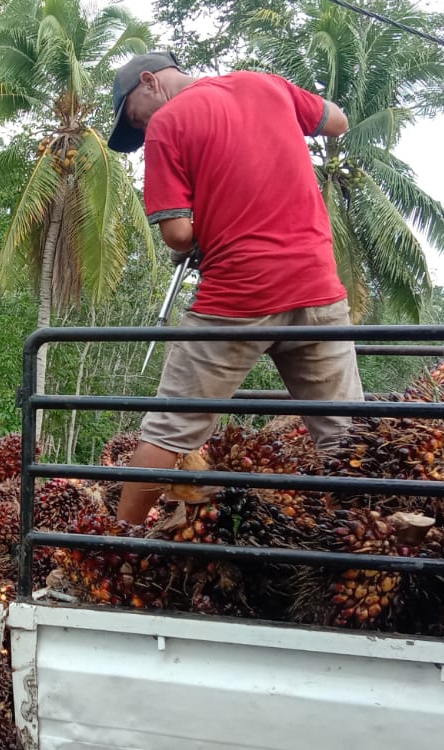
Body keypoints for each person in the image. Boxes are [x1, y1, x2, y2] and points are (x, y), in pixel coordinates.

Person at [106, 51, 365, 525]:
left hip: (238, 297)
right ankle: (362, 551)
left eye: (133, 119)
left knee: (169, 428)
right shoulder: (266, 84)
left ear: (149, 84)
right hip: (319, 290)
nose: (141, 130)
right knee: (344, 439)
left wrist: (214, 210)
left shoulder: (168, 123)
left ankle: (111, 546)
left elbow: (178, 235)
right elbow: (337, 122)